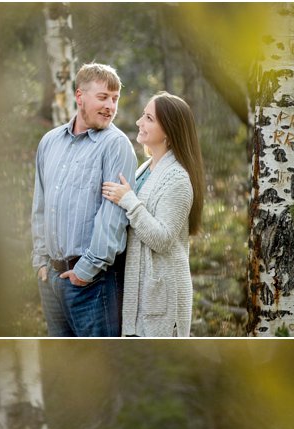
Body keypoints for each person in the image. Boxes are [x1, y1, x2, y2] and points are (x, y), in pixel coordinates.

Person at [32, 62, 138, 337]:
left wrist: (86, 271)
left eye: (115, 99)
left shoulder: (116, 145)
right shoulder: (49, 142)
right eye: (103, 97)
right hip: (52, 281)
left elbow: (113, 216)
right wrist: (41, 262)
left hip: (94, 284)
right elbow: (40, 206)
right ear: (80, 96)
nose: (110, 106)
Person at [102, 92, 205, 336]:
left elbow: (162, 239)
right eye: (143, 116)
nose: (140, 122)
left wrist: (128, 201)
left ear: (168, 131)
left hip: (162, 299)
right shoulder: (146, 168)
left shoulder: (177, 178)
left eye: (149, 118)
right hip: (139, 293)